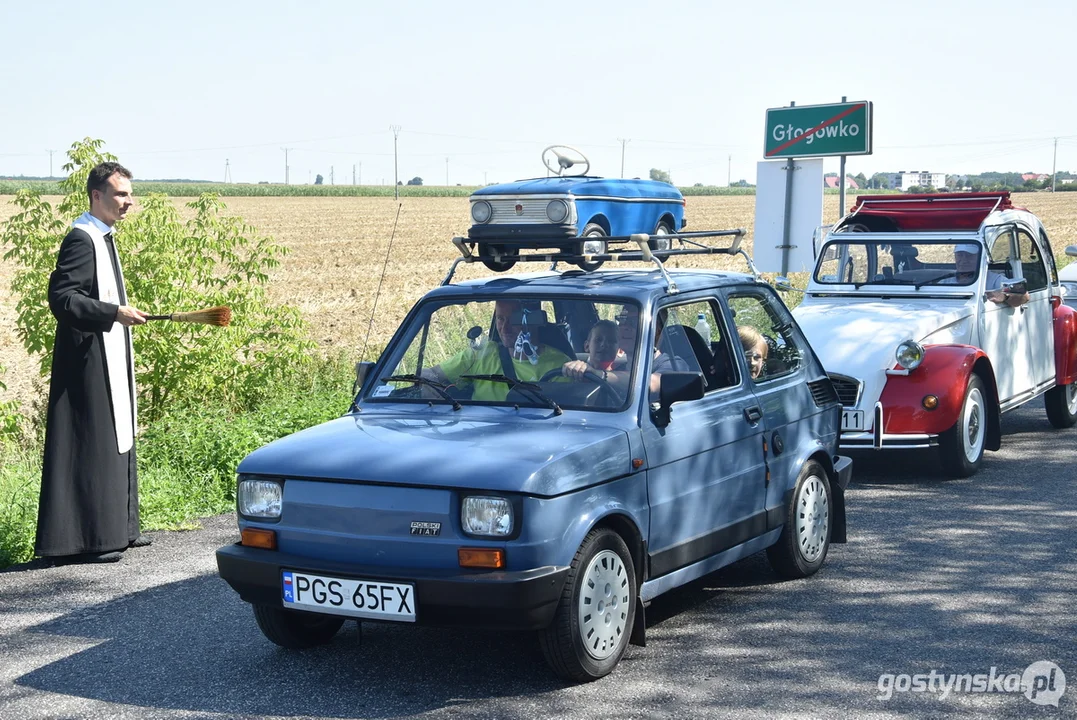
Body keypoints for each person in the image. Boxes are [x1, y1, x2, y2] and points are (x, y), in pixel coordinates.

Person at [35, 162, 152, 564]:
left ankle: (120, 529)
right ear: (96, 195)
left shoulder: (103, 237)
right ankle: (90, 540)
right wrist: (113, 313)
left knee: (115, 436)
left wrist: (115, 314)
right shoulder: (82, 239)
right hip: (86, 360)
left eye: (129, 194)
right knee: (91, 442)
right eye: (121, 194)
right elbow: (63, 298)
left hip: (106, 351)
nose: (129, 201)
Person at [422, 299, 572, 401]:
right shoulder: (480, 354)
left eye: (513, 320)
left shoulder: (559, 365)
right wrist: (434, 397)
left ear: (532, 321)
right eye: (500, 319)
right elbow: (429, 374)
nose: (504, 328)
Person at [950, 243, 1029, 307]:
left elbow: (1025, 296)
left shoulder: (994, 280)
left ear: (979, 257)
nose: (963, 260)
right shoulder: (945, 282)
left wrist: (1005, 296)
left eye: (969, 256)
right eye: (959, 255)